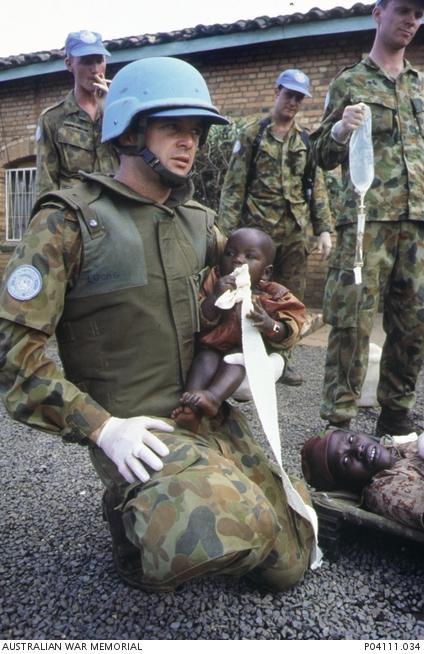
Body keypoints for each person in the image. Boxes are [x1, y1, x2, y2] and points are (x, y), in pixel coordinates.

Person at [0, 56, 316, 592]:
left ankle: (192, 493)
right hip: (136, 429)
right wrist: (101, 427)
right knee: (229, 525)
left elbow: (265, 297)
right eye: (172, 127)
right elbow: (13, 358)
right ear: (128, 129)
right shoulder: (70, 220)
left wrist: (276, 335)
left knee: (291, 556)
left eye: (194, 131)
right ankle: (131, 511)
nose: (188, 142)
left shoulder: (200, 224)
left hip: (202, 412)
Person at [310, 0, 424, 437]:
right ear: (378, 13)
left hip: (416, 226)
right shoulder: (349, 81)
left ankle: (395, 415)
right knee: (351, 320)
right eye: (403, 10)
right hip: (364, 224)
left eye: (418, 13)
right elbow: (321, 154)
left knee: (413, 323)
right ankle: (338, 425)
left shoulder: (419, 86)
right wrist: (339, 129)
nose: (411, 21)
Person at [218, 69, 333, 386]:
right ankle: (245, 353)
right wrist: (224, 234)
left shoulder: (306, 141)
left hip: (295, 235)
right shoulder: (253, 135)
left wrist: (323, 229)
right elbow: (233, 188)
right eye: (289, 94)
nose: (293, 102)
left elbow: (317, 187)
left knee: (292, 298)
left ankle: (283, 359)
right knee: (250, 294)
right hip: (258, 235)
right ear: (276, 92)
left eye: (299, 97)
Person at [171, 226, 306, 433]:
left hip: (246, 352)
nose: (238, 260)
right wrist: (215, 297)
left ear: (266, 272)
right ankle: (190, 407)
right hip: (214, 345)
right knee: (205, 358)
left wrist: (270, 325)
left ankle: (213, 398)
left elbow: (292, 327)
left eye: (250, 257)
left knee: (236, 360)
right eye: (230, 253)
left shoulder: (273, 295)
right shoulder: (214, 281)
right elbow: (198, 315)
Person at [35, 29, 119, 197]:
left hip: (116, 210)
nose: (95, 70)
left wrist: (111, 111)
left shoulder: (120, 112)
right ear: (69, 64)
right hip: (74, 214)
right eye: (87, 61)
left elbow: (135, 161)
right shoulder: (52, 119)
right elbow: (46, 185)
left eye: (99, 60)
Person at [301, 428, 424, 532]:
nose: (358, 449)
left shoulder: (391, 447)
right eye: (346, 461)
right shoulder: (388, 491)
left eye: (351, 439)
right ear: (348, 485)